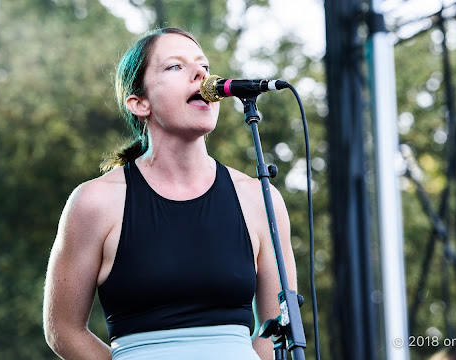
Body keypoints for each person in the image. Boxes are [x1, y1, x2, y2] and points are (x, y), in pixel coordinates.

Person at [43, 27, 297, 360]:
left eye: (203, 66)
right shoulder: (95, 201)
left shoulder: (260, 199)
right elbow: (63, 328)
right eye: (175, 66)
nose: (201, 74)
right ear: (139, 102)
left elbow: (279, 326)